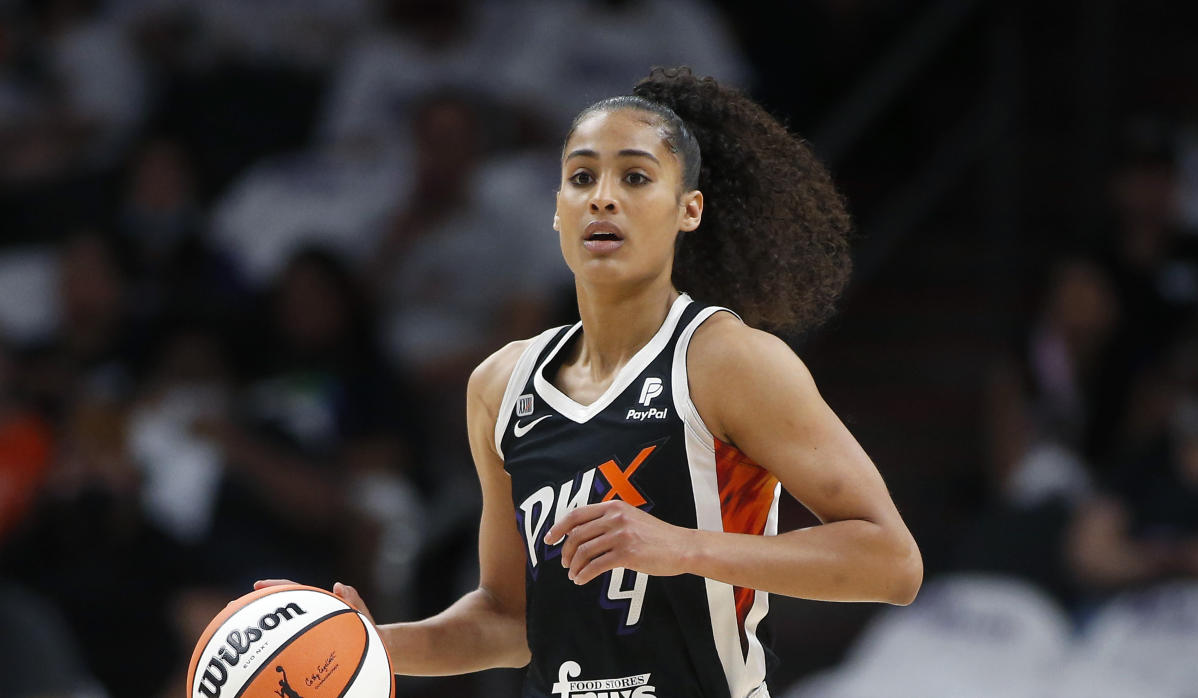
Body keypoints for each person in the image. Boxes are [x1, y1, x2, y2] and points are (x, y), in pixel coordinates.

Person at [258, 66, 922, 697]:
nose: (602, 196)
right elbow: (509, 618)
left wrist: (685, 548)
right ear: (556, 212)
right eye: (581, 177)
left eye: (635, 177)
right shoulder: (500, 384)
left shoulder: (728, 360)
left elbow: (891, 562)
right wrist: (365, 645)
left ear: (688, 210)